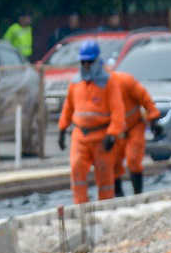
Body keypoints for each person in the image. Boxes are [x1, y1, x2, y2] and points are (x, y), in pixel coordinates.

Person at [58, 40, 123, 204]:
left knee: (104, 174)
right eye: (83, 62)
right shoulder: (75, 83)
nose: (86, 65)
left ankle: (106, 207)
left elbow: (117, 110)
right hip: (80, 136)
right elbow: (68, 107)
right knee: (77, 169)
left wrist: (112, 134)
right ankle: (80, 206)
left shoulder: (108, 82)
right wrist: (62, 129)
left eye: (90, 62)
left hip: (101, 136)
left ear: (97, 61)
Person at [109, 68, 161, 196]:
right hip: (114, 130)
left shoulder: (125, 81)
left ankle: (138, 194)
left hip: (134, 127)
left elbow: (144, 98)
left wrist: (153, 117)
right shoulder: (98, 88)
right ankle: (118, 195)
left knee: (133, 159)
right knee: (113, 162)